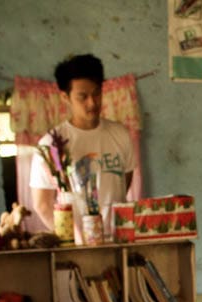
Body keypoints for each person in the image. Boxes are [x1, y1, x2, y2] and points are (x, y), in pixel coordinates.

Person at [30, 54, 135, 233]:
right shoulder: (49, 145)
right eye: (82, 96)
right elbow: (42, 205)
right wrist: (72, 239)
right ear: (65, 97)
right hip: (77, 244)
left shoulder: (121, 134)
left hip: (119, 239)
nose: (92, 103)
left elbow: (123, 184)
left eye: (96, 93)